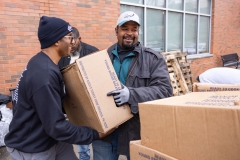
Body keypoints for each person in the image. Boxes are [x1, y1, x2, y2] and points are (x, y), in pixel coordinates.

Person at [4, 16, 104, 160]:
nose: (73, 41)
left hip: (50, 137)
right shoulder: (44, 75)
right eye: (69, 37)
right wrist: (95, 134)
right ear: (57, 41)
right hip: (33, 146)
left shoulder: (43, 62)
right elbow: (57, 127)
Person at [92, 11, 173, 160]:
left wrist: (131, 95)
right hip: (106, 131)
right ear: (116, 30)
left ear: (138, 32)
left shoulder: (153, 59)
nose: (129, 33)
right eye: (125, 28)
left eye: (134, 29)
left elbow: (165, 91)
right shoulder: (103, 57)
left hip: (137, 130)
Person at [58, 27, 99, 160]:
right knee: (81, 140)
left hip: (92, 102)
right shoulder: (63, 54)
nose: (71, 45)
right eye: (68, 42)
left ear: (79, 39)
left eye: (73, 42)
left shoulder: (92, 52)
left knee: (97, 134)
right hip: (74, 104)